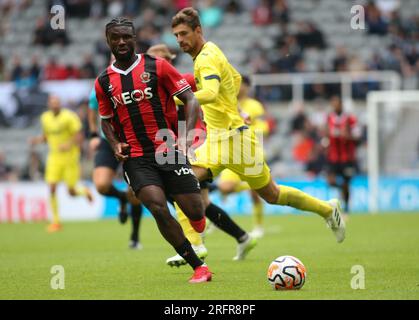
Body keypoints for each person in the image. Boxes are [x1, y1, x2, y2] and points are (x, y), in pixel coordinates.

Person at [171, 8, 345, 243]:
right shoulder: (211, 50)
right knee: (183, 180)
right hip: (216, 140)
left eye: (184, 33)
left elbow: (211, 93)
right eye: (176, 36)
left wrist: (175, 98)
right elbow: (235, 79)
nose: (180, 40)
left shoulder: (206, 58)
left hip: (236, 141)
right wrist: (237, 108)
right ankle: (195, 246)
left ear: (198, 30)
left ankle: (327, 209)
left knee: (271, 194)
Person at [95, 17, 212, 283]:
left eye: (127, 36)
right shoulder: (103, 82)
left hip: (168, 149)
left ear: (134, 38)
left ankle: (198, 221)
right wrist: (115, 145)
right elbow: (105, 120)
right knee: (158, 207)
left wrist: (185, 137)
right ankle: (198, 266)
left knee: (196, 211)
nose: (122, 41)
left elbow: (190, 99)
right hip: (136, 158)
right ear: (108, 41)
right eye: (116, 37)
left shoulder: (157, 67)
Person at [146, 44, 256, 267]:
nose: (153, 66)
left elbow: (220, 93)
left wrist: (241, 111)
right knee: (202, 202)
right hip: (174, 142)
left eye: (158, 60)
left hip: (194, 140)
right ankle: (242, 237)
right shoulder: (149, 90)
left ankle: (196, 243)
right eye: (151, 61)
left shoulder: (184, 79)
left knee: (178, 189)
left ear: (168, 61)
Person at [88, 85, 144, 250]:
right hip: (108, 141)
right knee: (101, 185)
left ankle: (135, 236)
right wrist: (93, 134)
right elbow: (92, 107)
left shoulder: (136, 80)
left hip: (134, 140)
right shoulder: (101, 84)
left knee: (135, 192)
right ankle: (121, 198)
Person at [29, 95, 93, 233]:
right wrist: (37, 140)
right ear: (49, 104)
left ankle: (84, 191)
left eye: (57, 103)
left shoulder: (69, 117)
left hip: (70, 157)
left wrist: (68, 145)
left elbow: (79, 136)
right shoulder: (45, 118)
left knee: (71, 191)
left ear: (60, 104)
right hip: (54, 157)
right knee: (52, 187)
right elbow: (47, 136)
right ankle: (56, 222)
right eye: (52, 103)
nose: (55, 105)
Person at [217, 75, 270, 238]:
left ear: (247, 87)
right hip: (232, 152)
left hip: (251, 152)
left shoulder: (254, 106)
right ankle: (215, 218)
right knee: (224, 187)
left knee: (256, 194)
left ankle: (259, 226)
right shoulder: (227, 102)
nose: (238, 88)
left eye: (241, 85)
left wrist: (244, 132)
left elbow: (264, 127)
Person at [324, 95, 361, 217]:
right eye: (332, 103)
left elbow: (358, 138)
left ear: (341, 105)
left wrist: (348, 136)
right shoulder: (329, 118)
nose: (334, 106)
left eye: (336, 103)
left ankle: (346, 209)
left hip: (347, 158)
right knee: (330, 180)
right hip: (333, 158)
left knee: (346, 183)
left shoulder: (350, 119)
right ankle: (341, 191)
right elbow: (325, 133)